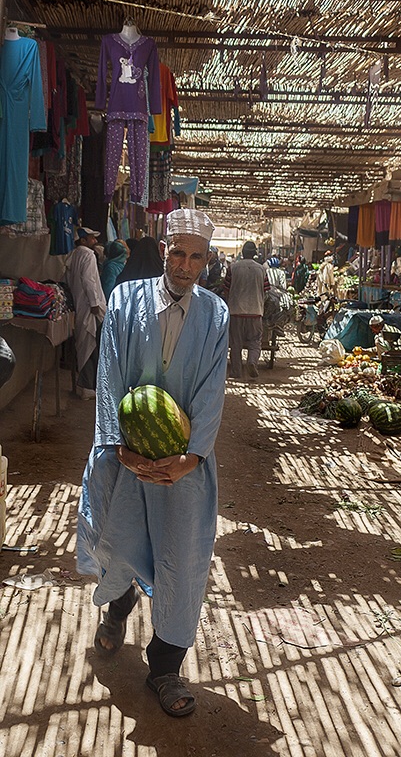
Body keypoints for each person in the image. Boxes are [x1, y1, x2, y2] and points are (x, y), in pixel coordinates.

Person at [77, 208, 229, 718]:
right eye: (178, 253)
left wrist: (191, 458)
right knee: (121, 544)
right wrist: (120, 445)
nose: (185, 265)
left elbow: (212, 390)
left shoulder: (215, 315)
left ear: (207, 261)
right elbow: (110, 376)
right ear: (165, 251)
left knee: (181, 560)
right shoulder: (125, 299)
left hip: (183, 468)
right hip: (128, 456)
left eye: (197, 256)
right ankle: (118, 608)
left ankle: (165, 666)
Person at [65, 227, 107, 400]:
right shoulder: (87, 255)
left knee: (84, 345)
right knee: (90, 346)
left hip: (80, 304)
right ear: (83, 240)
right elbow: (89, 281)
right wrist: (95, 303)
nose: (95, 242)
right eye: (91, 238)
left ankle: (85, 385)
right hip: (89, 307)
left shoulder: (74, 255)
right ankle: (87, 385)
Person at [223, 240, 269, 379]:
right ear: (254, 254)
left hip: (236, 311)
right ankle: (252, 361)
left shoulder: (233, 267)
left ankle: (236, 372)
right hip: (255, 312)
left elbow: (226, 289)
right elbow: (266, 290)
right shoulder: (261, 269)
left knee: (235, 344)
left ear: (242, 253)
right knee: (255, 342)